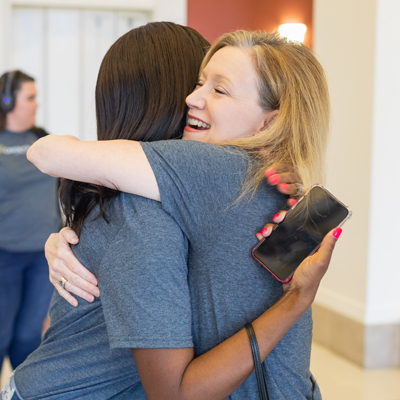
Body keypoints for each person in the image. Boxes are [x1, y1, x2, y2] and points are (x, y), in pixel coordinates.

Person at [22, 29, 339, 400]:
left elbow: (46, 153)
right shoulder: (273, 180)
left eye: (218, 90)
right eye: (198, 82)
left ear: (269, 122)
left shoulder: (214, 168)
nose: (192, 98)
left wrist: (297, 298)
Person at [0, 70, 60, 370]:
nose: (37, 104)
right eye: (30, 98)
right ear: (7, 101)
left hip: (42, 257)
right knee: (1, 335)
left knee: (28, 336)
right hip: (4, 256)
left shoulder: (42, 138)